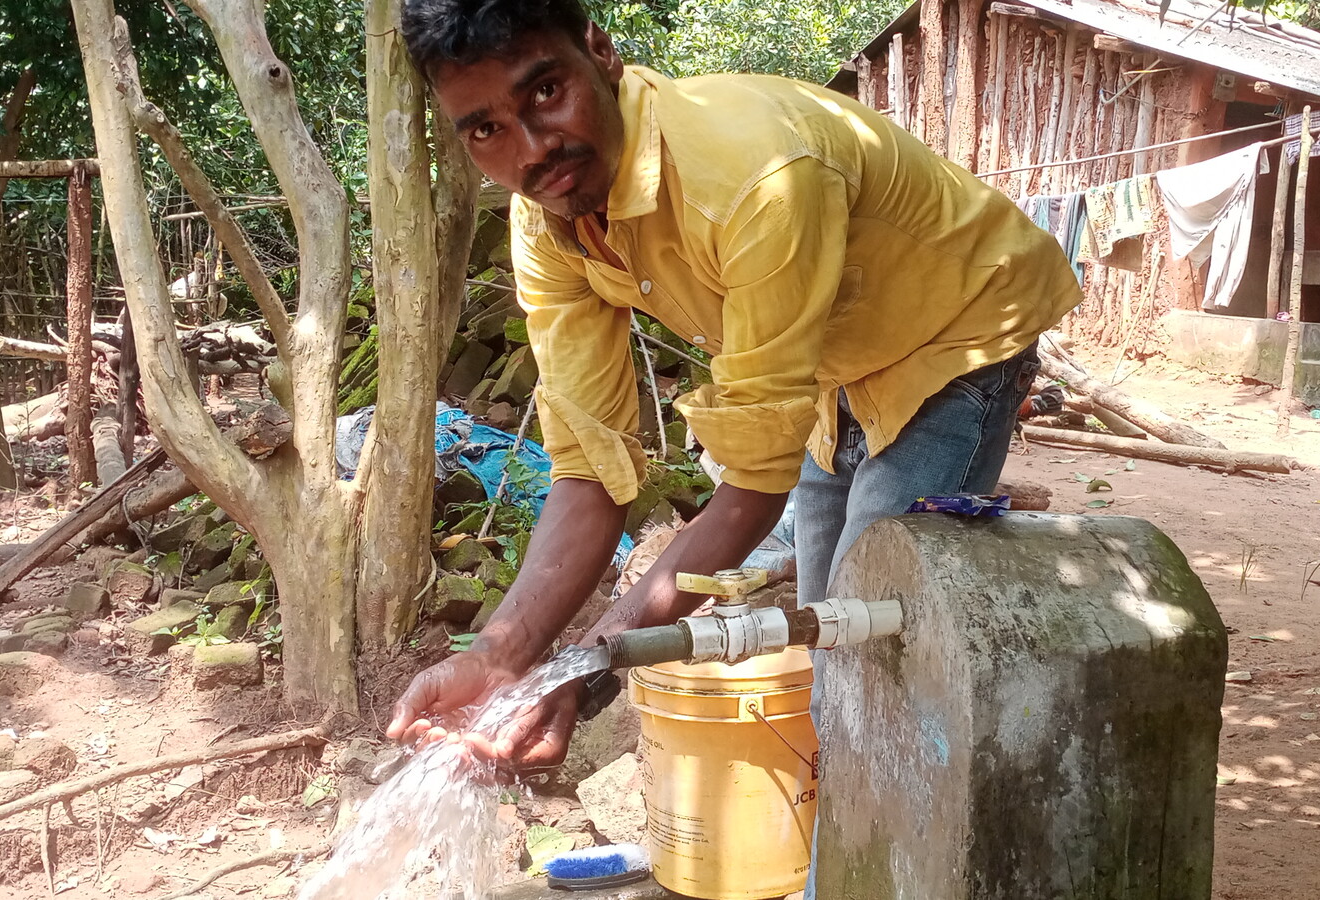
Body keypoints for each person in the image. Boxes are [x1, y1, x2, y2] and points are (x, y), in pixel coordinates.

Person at [386, 0, 1080, 774]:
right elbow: (589, 471)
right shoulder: (548, 220)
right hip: (831, 364)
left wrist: (584, 667)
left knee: (874, 653)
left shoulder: (756, 177)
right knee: (836, 644)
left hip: (960, 331)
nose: (533, 150)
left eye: (545, 92)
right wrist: (501, 655)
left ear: (600, 51)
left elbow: (754, 485)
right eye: (486, 130)